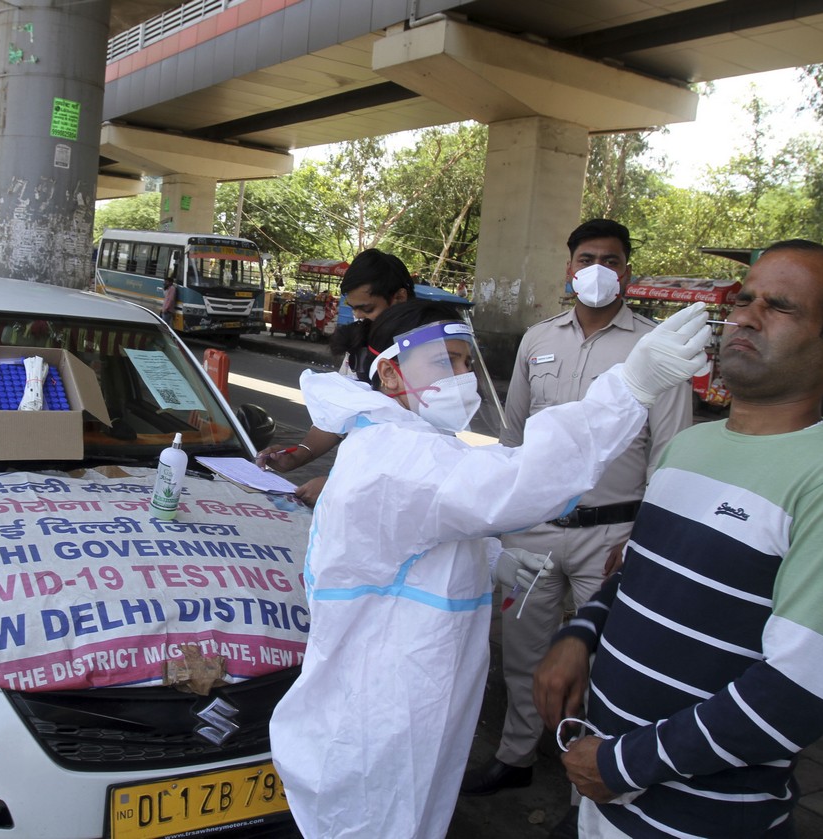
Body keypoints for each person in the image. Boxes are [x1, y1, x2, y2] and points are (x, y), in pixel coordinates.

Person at [269, 297, 712, 839]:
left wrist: (493, 559)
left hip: (398, 690)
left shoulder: (405, 444)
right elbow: (519, 480)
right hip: (382, 706)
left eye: (463, 361)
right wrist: (630, 388)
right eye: (444, 362)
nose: (462, 377)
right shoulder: (396, 458)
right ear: (389, 372)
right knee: (382, 821)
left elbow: (424, 533)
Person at [533, 240, 823, 839]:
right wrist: (579, 634)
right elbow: (637, 576)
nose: (746, 316)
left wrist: (623, 764)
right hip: (601, 801)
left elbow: (796, 694)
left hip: (698, 819)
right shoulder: (688, 447)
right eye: (745, 299)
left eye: (779, 307)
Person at [461, 220, 692, 819]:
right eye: (587, 257)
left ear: (627, 272)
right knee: (522, 652)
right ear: (569, 268)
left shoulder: (653, 351)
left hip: (613, 535)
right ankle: (514, 758)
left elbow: (671, 454)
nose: (598, 269)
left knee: (602, 662)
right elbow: (514, 436)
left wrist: (644, 540)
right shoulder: (538, 339)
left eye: (611, 260)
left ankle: (586, 788)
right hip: (535, 530)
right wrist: (504, 521)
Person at [255, 248, 416, 505]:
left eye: (367, 309)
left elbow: (420, 456)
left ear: (399, 298)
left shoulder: (428, 356)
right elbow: (340, 413)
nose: (359, 318)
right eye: (354, 310)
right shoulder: (360, 350)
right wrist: (300, 454)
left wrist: (343, 486)